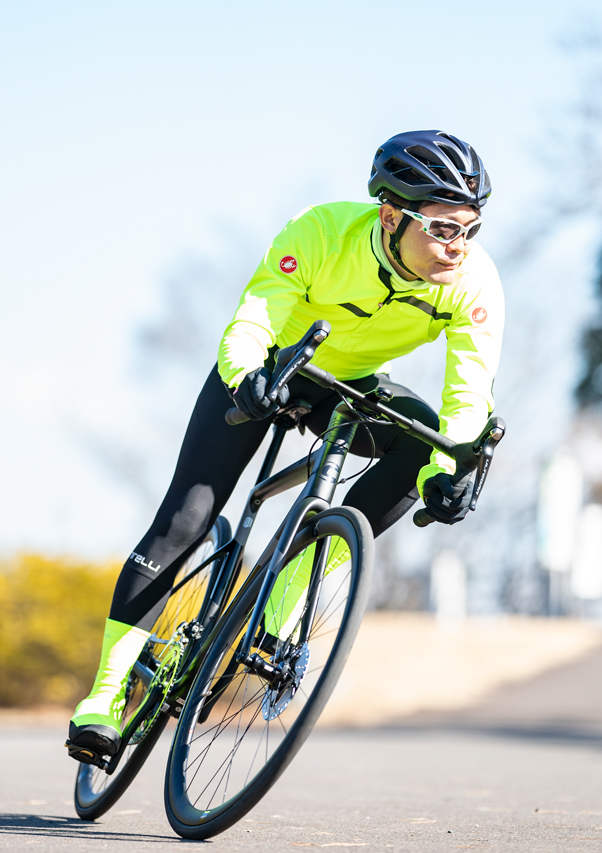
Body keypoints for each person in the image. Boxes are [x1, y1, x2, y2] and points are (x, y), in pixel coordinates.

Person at [67, 130, 504, 761]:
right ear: (390, 215)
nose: (457, 247)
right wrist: (245, 377)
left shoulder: (474, 283)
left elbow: (467, 397)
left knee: (419, 444)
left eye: (470, 228)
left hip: (348, 384)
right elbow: (255, 316)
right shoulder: (321, 232)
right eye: (441, 228)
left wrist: (449, 465)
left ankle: (288, 588)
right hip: (269, 367)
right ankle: (106, 697)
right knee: (187, 517)